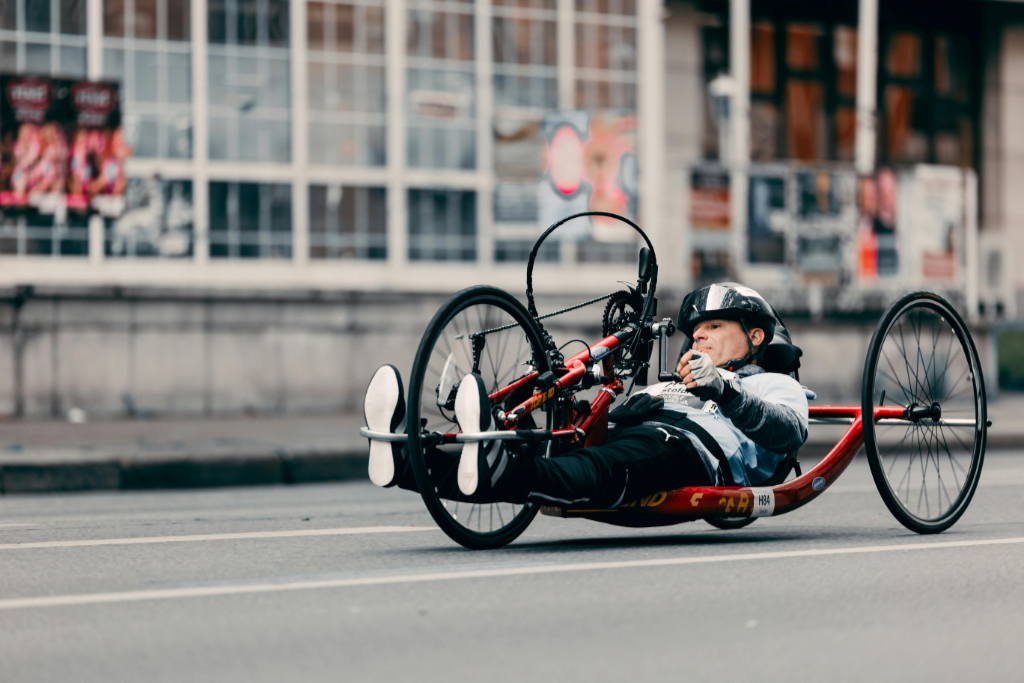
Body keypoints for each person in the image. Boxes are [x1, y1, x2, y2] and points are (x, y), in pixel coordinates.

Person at [363, 283, 809, 508]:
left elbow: (788, 432)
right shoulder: (676, 381)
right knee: (550, 447)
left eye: (714, 326)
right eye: (695, 331)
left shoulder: (774, 384)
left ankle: (496, 461)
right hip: (629, 434)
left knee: (599, 464)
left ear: (755, 337)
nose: (699, 336)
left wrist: (723, 388)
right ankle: (408, 458)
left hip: (690, 450)